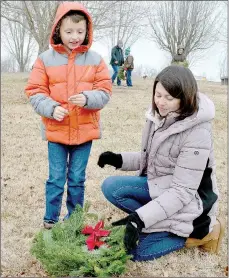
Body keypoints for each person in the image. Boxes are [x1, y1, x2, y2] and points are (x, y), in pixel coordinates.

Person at [97, 65, 225, 261]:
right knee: (111, 187)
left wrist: (140, 219)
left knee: (134, 253)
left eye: (169, 98)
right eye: (158, 95)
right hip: (164, 186)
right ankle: (155, 221)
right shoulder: (159, 116)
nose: (161, 102)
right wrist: (118, 159)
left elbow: (182, 192)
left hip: (191, 203)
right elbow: (154, 159)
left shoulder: (197, 132)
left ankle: (206, 232)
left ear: (185, 97)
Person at [25, 1, 112, 229]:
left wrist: (88, 98)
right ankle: (50, 220)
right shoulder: (45, 59)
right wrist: (52, 108)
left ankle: (74, 220)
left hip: (84, 134)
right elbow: (35, 91)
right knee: (56, 178)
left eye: (80, 31)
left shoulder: (96, 60)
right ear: (58, 31)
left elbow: (104, 92)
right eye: (69, 31)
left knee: (76, 180)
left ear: (87, 32)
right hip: (57, 132)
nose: (75, 36)